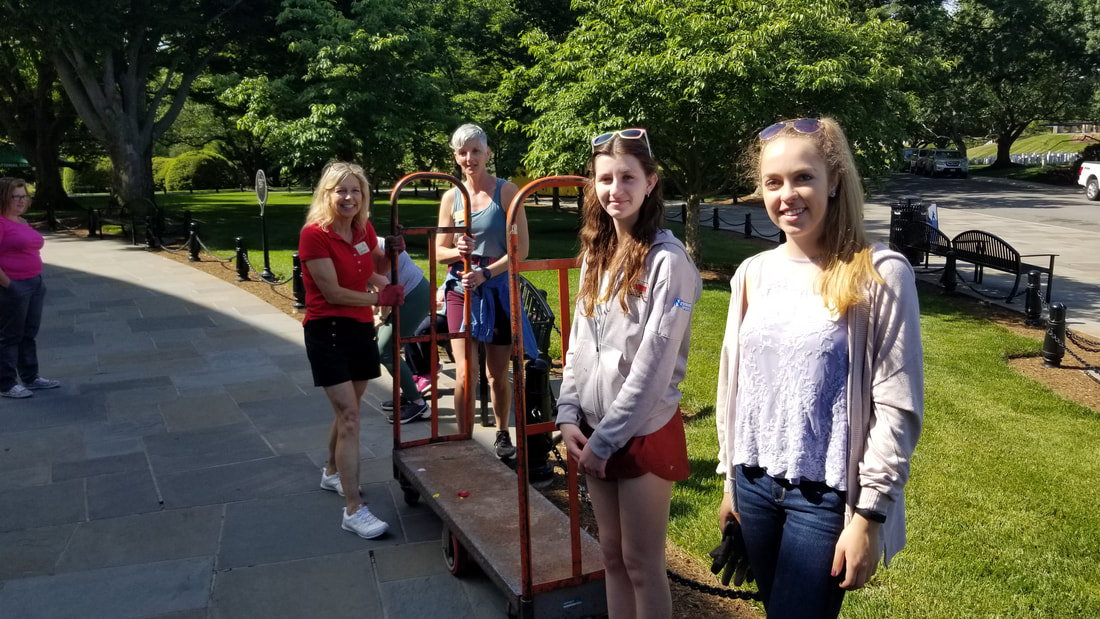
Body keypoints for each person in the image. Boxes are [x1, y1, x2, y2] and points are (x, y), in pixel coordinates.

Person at [714, 118, 924, 617]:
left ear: (834, 181)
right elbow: (735, 389)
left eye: (803, 177)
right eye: (773, 182)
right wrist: (729, 485)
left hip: (826, 500)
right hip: (754, 486)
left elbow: (896, 406)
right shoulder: (752, 273)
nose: (788, 194)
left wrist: (869, 515)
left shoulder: (880, 273)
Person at [556, 128, 702, 619]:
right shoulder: (595, 253)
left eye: (627, 178)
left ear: (650, 182)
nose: (614, 189)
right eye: (604, 179)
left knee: (642, 564)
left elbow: (653, 369)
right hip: (594, 431)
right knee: (612, 558)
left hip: (641, 433)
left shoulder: (668, 261)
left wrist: (604, 441)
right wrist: (568, 415)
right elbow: (579, 343)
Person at [299, 162, 406, 540]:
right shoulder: (315, 235)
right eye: (340, 191)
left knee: (351, 411)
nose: (348, 198)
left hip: (359, 328)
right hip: (327, 330)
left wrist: (390, 254)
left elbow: (372, 267)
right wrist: (379, 297)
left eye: (355, 191)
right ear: (327, 194)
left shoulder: (362, 228)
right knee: (350, 418)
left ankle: (331, 471)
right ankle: (353, 509)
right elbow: (334, 293)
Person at [436, 123, 538, 458]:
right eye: (463, 152)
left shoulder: (506, 192)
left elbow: (520, 249)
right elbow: (440, 252)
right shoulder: (451, 196)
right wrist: (459, 252)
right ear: (455, 157)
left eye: (476, 151)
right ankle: (462, 439)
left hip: (496, 289)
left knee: (497, 373)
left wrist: (485, 271)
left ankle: (501, 432)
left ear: (487, 153)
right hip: (461, 289)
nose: (469, 158)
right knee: (465, 371)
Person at [0, 178, 60, 399]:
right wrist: (10, 285)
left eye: (23, 196)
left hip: (34, 283)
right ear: (3, 198)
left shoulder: (21, 221)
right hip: (13, 285)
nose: (20, 201)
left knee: (28, 334)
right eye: (15, 196)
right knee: (10, 336)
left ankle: (30, 377)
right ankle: (6, 384)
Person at [374, 236, 431, 424]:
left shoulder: (360, 244)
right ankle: (410, 394)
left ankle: (419, 405)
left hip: (414, 295)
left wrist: (381, 318)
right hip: (406, 295)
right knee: (383, 348)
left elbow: (382, 285)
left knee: (386, 350)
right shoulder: (357, 240)